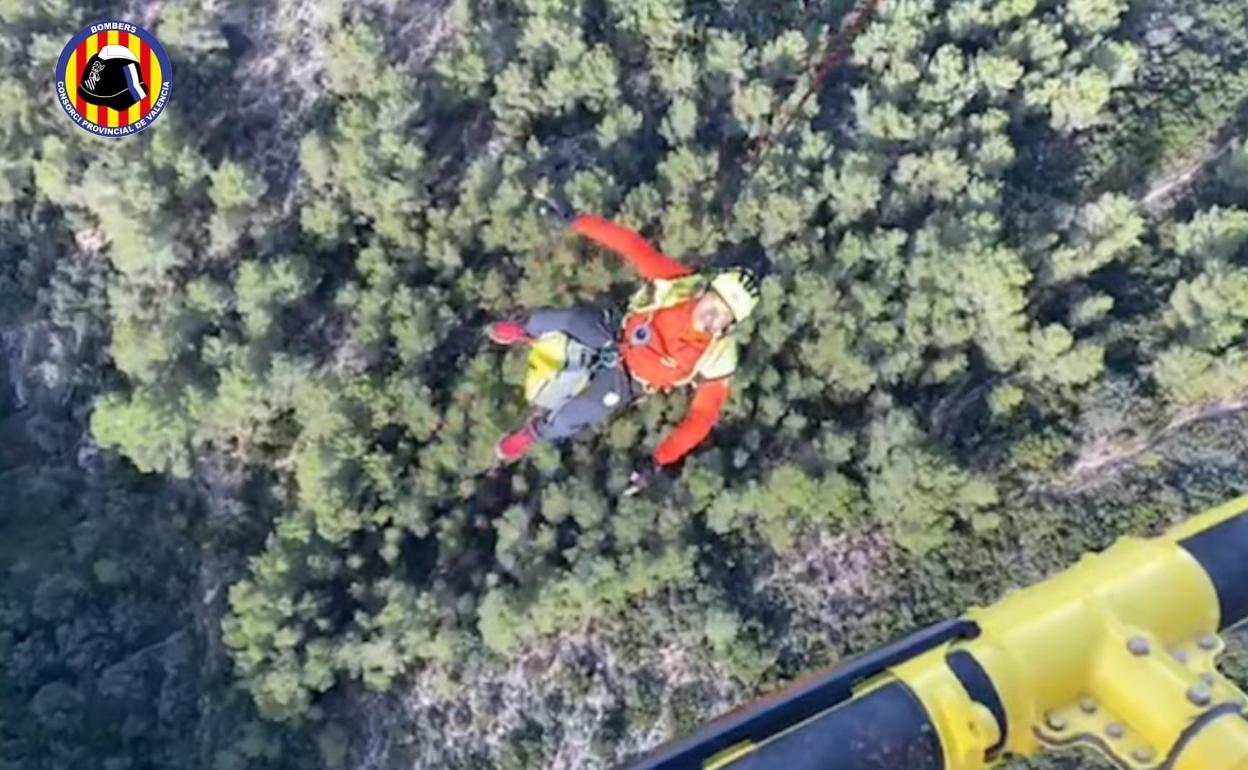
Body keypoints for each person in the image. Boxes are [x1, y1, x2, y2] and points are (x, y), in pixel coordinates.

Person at [488, 212, 761, 480]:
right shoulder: (680, 284)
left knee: (571, 416)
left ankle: (532, 433)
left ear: (729, 327)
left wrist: (659, 459)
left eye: (723, 317)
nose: (711, 318)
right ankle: (528, 330)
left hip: (627, 379)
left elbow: (701, 418)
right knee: (563, 319)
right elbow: (632, 247)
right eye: (713, 305)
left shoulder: (719, 357)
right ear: (703, 293)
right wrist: (578, 220)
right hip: (615, 331)